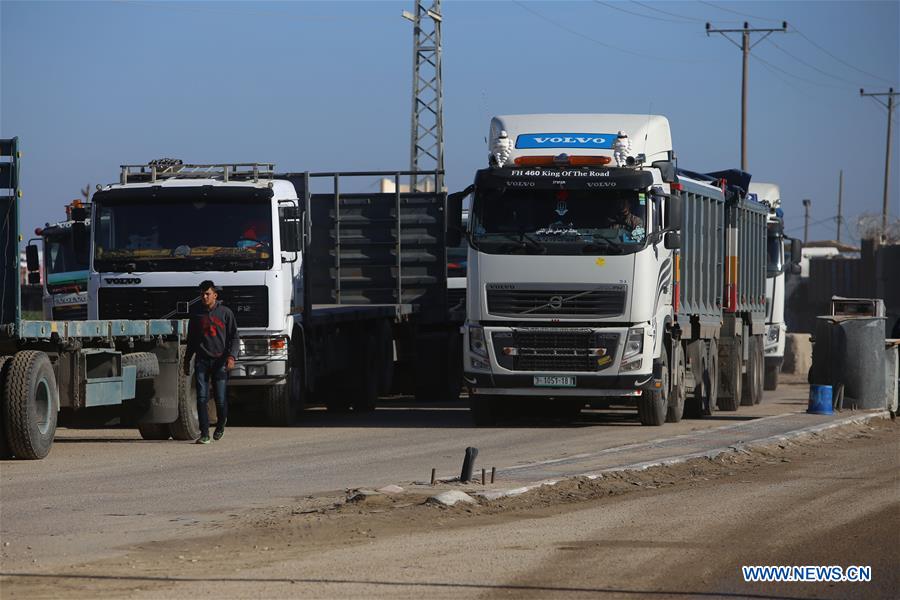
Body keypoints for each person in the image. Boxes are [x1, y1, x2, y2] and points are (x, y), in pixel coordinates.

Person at [183, 280, 239, 444]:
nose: (204, 296)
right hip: (202, 361)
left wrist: (231, 357)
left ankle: (221, 424)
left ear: (215, 295)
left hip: (220, 362)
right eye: (202, 294)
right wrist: (187, 360)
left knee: (220, 399)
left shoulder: (225, 313)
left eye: (208, 294)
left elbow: (234, 337)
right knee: (201, 397)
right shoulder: (196, 314)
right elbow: (192, 340)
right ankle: (205, 433)